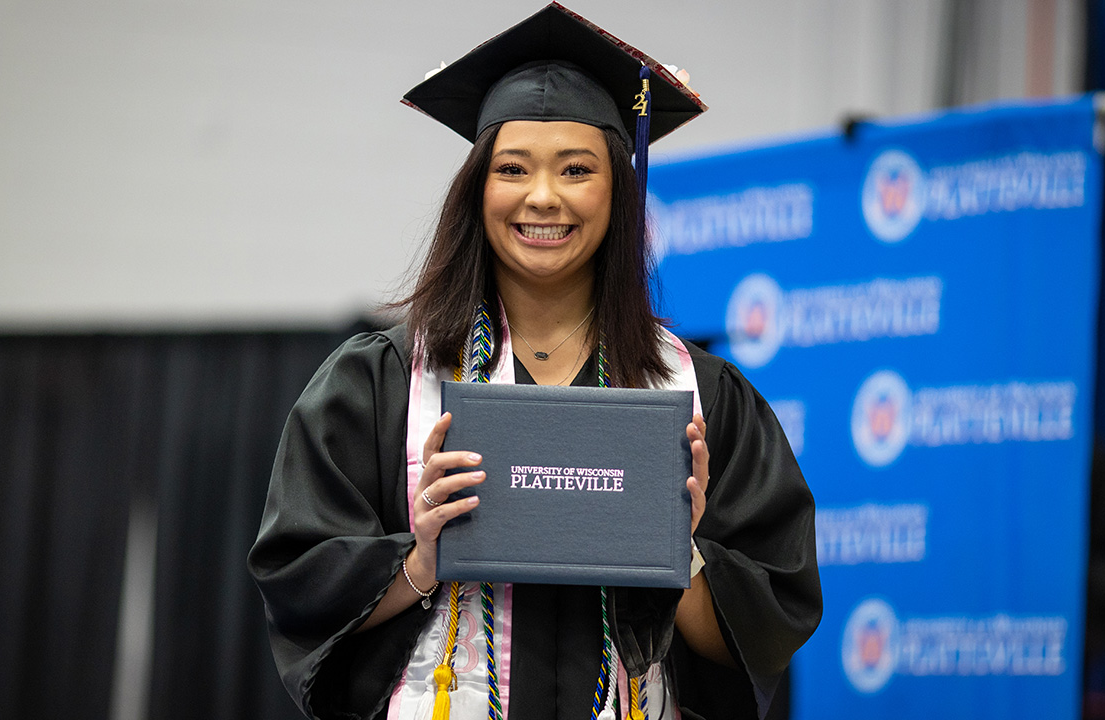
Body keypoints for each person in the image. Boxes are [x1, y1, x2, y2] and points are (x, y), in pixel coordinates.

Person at [247, 4, 821, 719]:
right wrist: (422, 560)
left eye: (576, 169)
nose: (543, 196)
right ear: (478, 190)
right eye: (512, 168)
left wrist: (682, 550)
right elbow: (299, 582)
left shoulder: (705, 395)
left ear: (618, 188)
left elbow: (761, 632)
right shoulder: (380, 385)